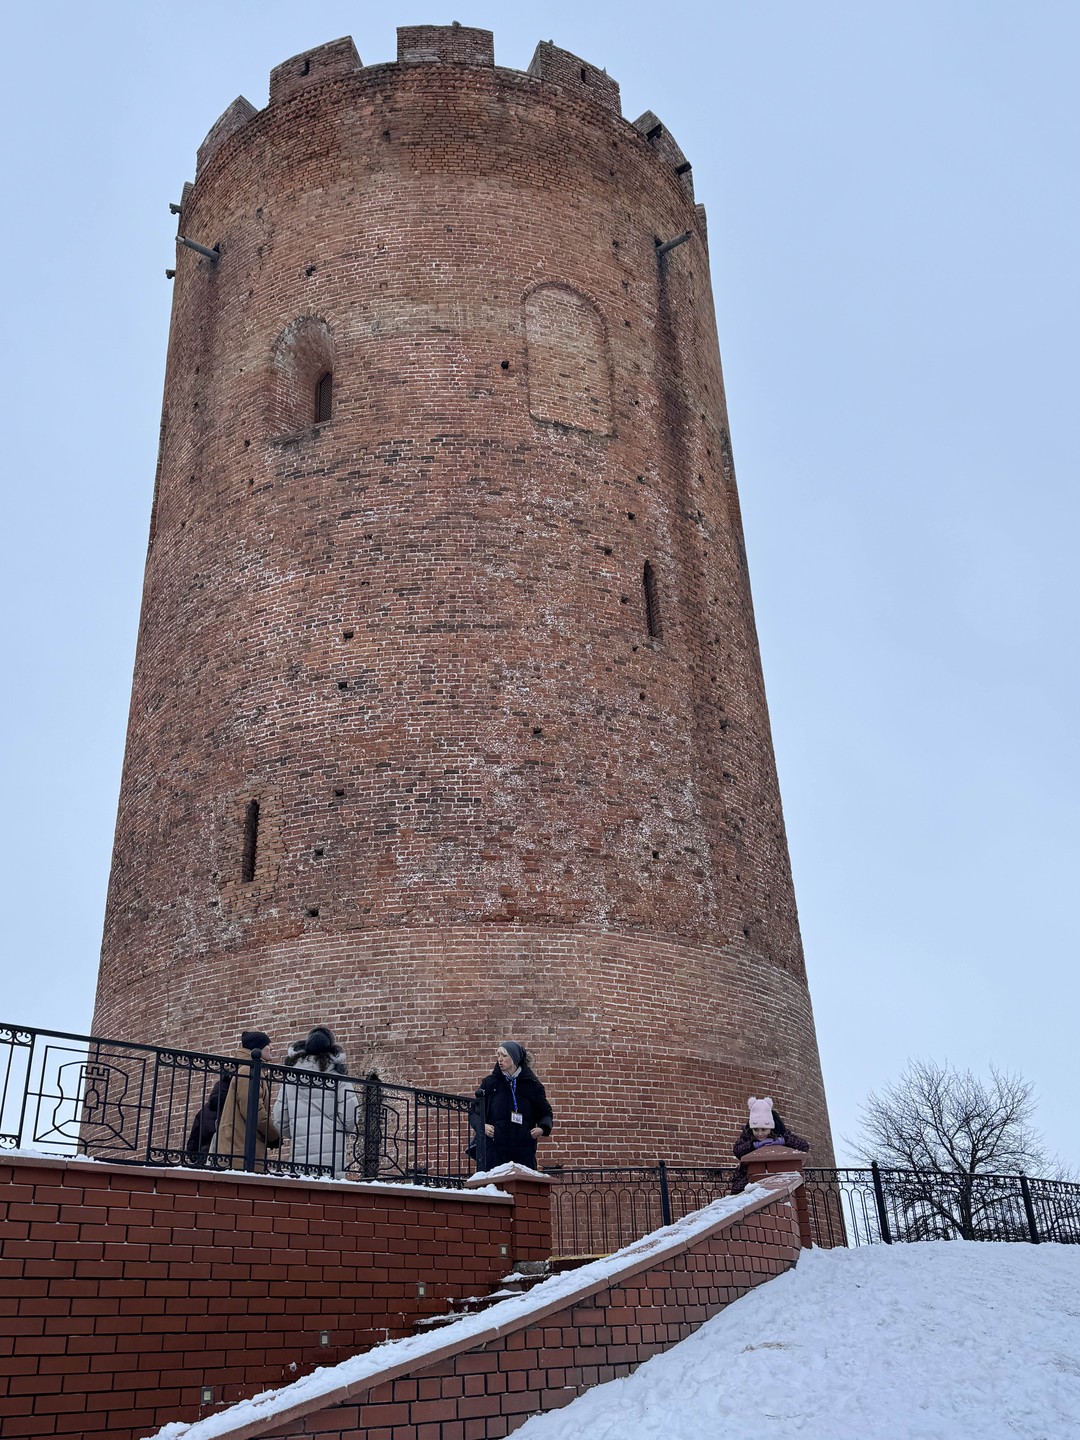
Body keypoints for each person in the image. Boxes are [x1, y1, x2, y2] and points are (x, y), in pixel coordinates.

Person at [271, 1026, 359, 1178]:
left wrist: (297, 1132)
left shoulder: (291, 1077)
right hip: (331, 1152)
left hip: (300, 1151)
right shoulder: (338, 1078)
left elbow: (280, 1119)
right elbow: (350, 1117)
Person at [476, 1040, 553, 1170]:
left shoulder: (532, 1085)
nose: (500, 1059)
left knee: (522, 1188)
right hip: (495, 1149)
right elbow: (475, 1111)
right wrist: (482, 1125)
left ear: (515, 1058)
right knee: (494, 1187)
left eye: (504, 1056)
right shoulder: (490, 1084)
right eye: (498, 1055)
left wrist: (542, 1128)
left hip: (523, 1149)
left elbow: (545, 1112)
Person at [210, 1029, 281, 1171]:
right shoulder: (248, 1071)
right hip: (239, 1152)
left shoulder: (250, 1069)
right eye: (267, 1044)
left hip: (241, 1149)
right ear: (257, 1049)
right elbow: (253, 1110)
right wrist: (273, 1135)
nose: (271, 1047)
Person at [729, 1095, 809, 1195]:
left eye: (764, 1129)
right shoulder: (747, 1134)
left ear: (771, 1128)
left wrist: (783, 1141)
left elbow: (803, 1146)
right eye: (756, 1129)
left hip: (778, 1175)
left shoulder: (781, 1132)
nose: (760, 1133)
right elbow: (737, 1150)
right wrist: (754, 1145)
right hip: (748, 1175)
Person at [184, 1077, 227, 1164]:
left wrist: (197, 1159)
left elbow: (192, 1144)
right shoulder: (231, 1111)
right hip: (225, 1159)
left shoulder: (204, 1111)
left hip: (204, 1157)